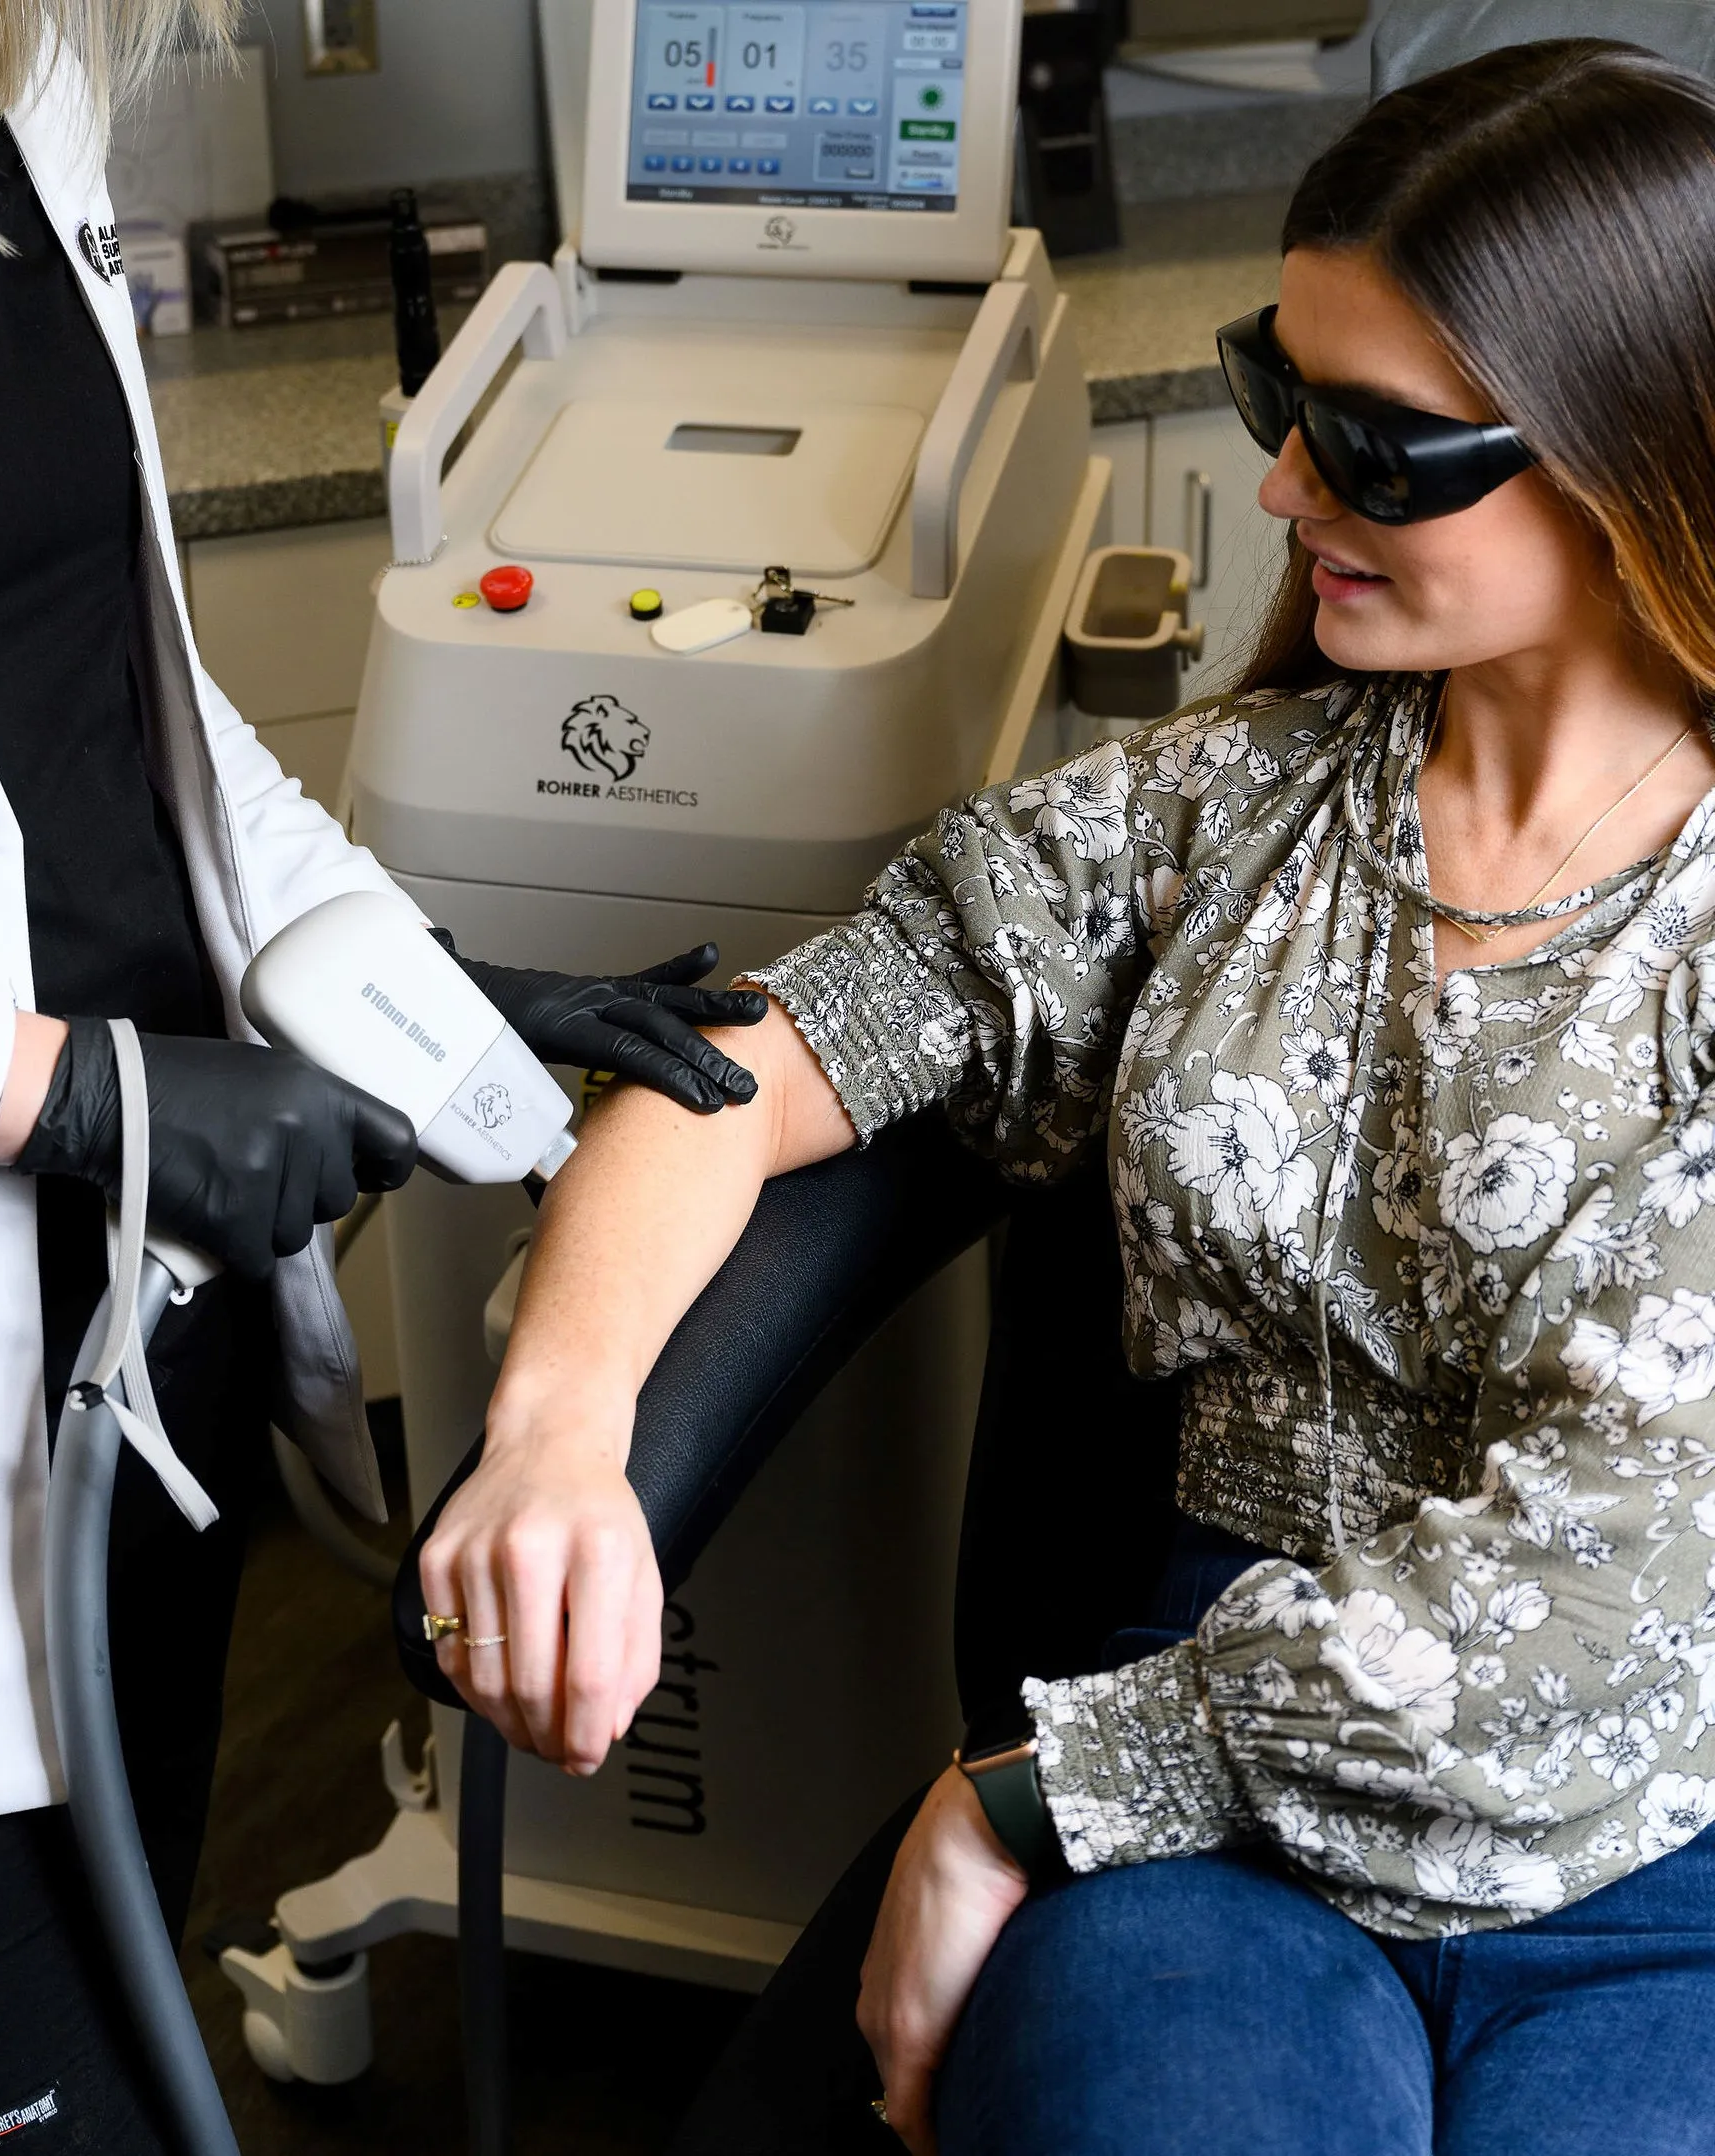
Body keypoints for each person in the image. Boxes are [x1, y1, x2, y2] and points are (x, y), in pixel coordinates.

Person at [419, 39, 1715, 2156]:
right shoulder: (1215, 817)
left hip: (1646, 1841)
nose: (1287, 491)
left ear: (1635, 454)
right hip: (1217, 1822)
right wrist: (558, 1435)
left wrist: (1026, 1793)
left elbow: (1598, 1606)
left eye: (1378, 449)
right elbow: (747, 1057)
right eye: (1269, 394)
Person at [0, 0, 764, 2147]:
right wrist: (68, 1091)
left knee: (145, 2018)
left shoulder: (1, 84)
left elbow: (133, 712)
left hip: (122, 1367)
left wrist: (425, 991)